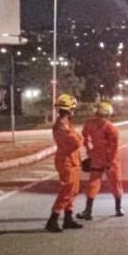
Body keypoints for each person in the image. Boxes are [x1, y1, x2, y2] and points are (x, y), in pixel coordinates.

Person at [77, 100, 124, 219]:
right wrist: (110, 162)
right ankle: (118, 208)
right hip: (111, 160)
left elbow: (85, 138)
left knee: (94, 183)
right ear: (108, 114)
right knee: (115, 183)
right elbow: (114, 147)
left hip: (97, 157)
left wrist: (90, 151)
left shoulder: (89, 124)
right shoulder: (112, 128)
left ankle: (88, 211)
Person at [47, 94, 84, 232]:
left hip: (71, 161)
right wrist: (80, 139)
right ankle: (53, 218)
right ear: (69, 109)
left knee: (73, 190)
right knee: (67, 190)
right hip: (66, 161)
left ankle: (68, 218)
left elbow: (77, 140)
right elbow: (76, 142)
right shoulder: (62, 125)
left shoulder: (67, 123)